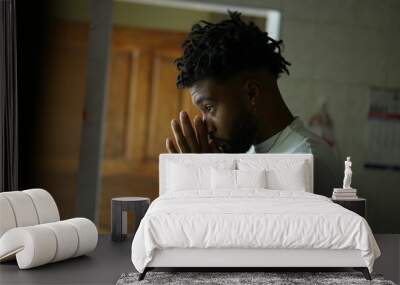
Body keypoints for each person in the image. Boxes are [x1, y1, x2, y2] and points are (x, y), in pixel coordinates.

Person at [165, 11, 341, 197]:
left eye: (209, 108)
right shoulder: (253, 155)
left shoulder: (305, 161)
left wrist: (201, 180)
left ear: (251, 93)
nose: (206, 126)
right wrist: (215, 171)